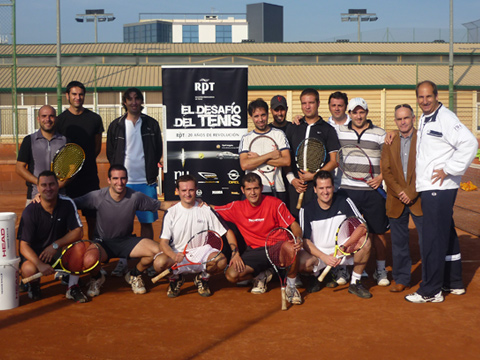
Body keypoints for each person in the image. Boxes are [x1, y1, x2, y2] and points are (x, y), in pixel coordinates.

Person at [405, 81, 478, 303]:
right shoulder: (427, 118)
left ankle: (431, 291)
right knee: (446, 233)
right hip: (431, 187)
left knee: (433, 239)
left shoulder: (445, 117)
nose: (424, 101)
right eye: (420, 97)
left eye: (428, 96)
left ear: (436, 96)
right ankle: (454, 282)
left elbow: (469, 143)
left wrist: (449, 169)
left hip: (439, 188)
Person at [73, 164, 174, 297]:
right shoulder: (97, 196)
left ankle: (134, 275)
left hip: (126, 241)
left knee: (158, 251)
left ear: (126, 179)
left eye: (123, 178)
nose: (119, 182)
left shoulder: (135, 197)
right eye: (115, 178)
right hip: (102, 243)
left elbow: (162, 205)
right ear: (109, 180)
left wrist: (189, 203)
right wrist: (44, 199)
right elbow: (71, 203)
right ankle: (97, 277)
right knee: (88, 260)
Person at [214, 173, 304, 306]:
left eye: (256, 188)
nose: (253, 193)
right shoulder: (236, 207)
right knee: (232, 275)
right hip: (255, 251)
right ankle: (262, 275)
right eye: (249, 189)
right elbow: (210, 209)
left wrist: (298, 238)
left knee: (292, 247)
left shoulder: (275, 203)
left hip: (277, 247)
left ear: (261, 188)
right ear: (243, 190)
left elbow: (293, 225)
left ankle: (291, 287)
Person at [154, 175, 244, 298]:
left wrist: (235, 252)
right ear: (177, 191)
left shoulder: (205, 210)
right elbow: (163, 242)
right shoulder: (171, 212)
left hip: (202, 254)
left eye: (191, 190)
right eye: (184, 190)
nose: (188, 194)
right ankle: (175, 279)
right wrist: (174, 256)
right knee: (159, 263)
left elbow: (227, 232)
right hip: (178, 254)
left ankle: (203, 278)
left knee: (221, 261)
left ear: (196, 189)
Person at [107, 87, 163, 277]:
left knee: (146, 223)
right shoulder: (116, 125)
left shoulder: (151, 124)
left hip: (146, 182)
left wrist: (150, 172)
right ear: (124, 102)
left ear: (141, 102)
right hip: (123, 184)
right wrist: (119, 179)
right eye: (129, 99)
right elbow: (111, 153)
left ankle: (145, 261)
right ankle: (123, 260)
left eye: (137, 99)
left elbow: (157, 150)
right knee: (122, 224)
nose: (133, 102)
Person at [336, 97, 390, 287]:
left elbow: (389, 157)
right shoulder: (339, 131)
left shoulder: (379, 133)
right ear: (349, 114)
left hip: (373, 190)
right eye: (354, 112)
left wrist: (381, 176)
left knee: (378, 232)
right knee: (346, 232)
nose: (358, 116)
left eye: (362, 112)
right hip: (347, 190)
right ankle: (343, 268)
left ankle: (380, 270)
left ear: (366, 113)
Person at [298, 171, 372, 298]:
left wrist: (342, 248)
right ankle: (317, 276)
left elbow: (362, 226)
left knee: (366, 242)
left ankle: (355, 282)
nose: (325, 192)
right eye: (321, 188)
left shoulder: (344, 201)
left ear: (333, 187)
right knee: (300, 261)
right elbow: (305, 241)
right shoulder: (306, 210)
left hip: (343, 251)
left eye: (328, 187)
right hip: (319, 256)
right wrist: (324, 257)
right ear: (315, 190)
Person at [17, 170, 88, 303]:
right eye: (44, 185)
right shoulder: (30, 211)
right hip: (37, 255)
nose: (48, 188)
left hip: (57, 251)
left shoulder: (67, 203)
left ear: (58, 185)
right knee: (28, 269)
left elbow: (78, 232)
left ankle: (72, 287)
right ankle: (34, 285)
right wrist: (40, 264)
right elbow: (23, 246)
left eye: (51, 184)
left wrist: (55, 245)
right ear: (38, 188)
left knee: (79, 247)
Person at [381, 104, 423, 293]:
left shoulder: (423, 139)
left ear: (413, 118)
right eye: (399, 119)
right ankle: (402, 278)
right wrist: (401, 192)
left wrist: (412, 192)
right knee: (399, 243)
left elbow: (425, 168)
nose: (403, 122)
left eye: (406, 118)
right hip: (396, 199)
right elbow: (386, 171)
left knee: (426, 241)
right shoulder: (389, 141)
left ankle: (430, 278)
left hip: (419, 199)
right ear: (395, 121)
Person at [56, 81, 104, 241]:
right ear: (67, 96)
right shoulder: (60, 121)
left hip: (90, 178)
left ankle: (93, 253)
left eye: (81, 94)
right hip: (68, 181)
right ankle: (70, 259)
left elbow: (96, 148)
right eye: (74, 94)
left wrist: (85, 162)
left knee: (93, 220)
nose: (78, 97)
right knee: (68, 222)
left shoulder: (94, 119)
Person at [285, 88, 340, 219]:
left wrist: (315, 176)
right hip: (295, 188)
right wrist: (292, 180)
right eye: (304, 103)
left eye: (311, 102)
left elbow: (334, 161)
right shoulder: (293, 127)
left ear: (318, 103)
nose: (307, 106)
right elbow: (286, 158)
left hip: (318, 188)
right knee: (296, 226)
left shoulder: (328, 130)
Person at [239, 98, 290, 203]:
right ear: (251, 117)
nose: (260, 119)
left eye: (263, 115)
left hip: (278, 189)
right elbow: (244, 165)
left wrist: (257, 159)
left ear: (268, 114)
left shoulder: (279, 134)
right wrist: (270, 155)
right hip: (254, 192)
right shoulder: (246, 138)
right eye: (256, 116)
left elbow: (286, 161)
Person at [16, 105, 68, 205]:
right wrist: (40, 183)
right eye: (44, 116)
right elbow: (19, 168)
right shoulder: (29, 140)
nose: (47, 119)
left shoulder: (65, 141)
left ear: (56, 119)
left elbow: (71, 170)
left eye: (51, 116)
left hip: (60, 195)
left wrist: (58, 185)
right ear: (38, 119)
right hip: (35, 196)